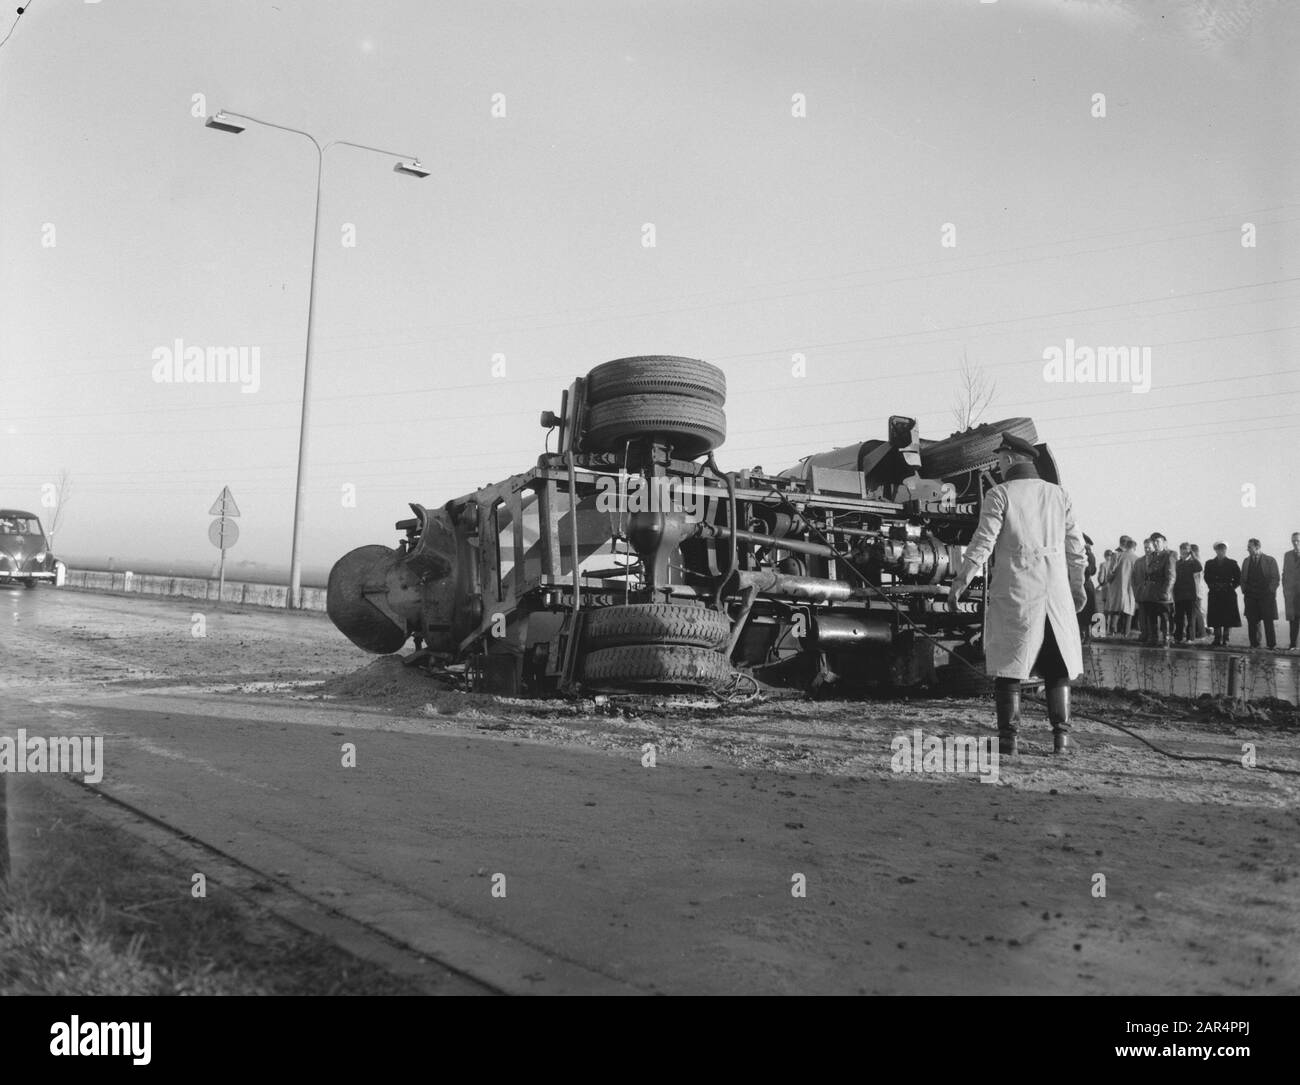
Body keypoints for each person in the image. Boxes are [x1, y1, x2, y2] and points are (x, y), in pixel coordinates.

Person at [948, 432, 1087, 757]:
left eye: (999, 458)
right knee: (1057, 665)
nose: (997, 463)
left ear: (1009, 459)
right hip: (1054, 595)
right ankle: (1062, 738)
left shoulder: (999, 495)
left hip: (1016, 593)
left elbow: (983, 543)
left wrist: (961, 580)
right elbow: (1076, 547)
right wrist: (1077, 583)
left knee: (1010, 665)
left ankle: (1008, 740)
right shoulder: (1059, 495)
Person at [1240, 538, 1280, 649]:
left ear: (1257, 547)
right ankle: (1254, 644)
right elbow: (1242, 578)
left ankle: (1271, 645)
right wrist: (1245, 591)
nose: (1247, 549)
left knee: (1268, 621)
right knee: (1252, 621)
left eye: (1249, 547)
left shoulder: (1270, 560)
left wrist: (1270, 591)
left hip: (1266, 596)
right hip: (1251, 596)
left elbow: (1275, 578)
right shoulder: (1246, 561)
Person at [1142, 533, 1177, 647]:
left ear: (1164, 542)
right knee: (1151, 616)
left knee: (1165, 617)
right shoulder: (1152, 556)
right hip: (1151, 591)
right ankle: (1153, 638)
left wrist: (1166, 592)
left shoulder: (1169, 555)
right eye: (1154, 542)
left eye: (1158, 541)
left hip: (1163, 591)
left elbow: (1171, 576)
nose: (1156, 544)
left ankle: (1166, 639)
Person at [1203, 542, 1241, 647]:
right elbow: (1206, 577)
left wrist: (1230, 586)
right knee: (1216, 617)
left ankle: (1226, 639)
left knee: (1228, 617)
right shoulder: (1209, 563)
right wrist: (1213, 586)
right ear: (1216, 550)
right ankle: (1217, 638)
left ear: (1226, 550)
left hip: (1228, 593)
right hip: (1215, 592)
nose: (1221, 551)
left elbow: (1238, 578)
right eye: (1219, 549)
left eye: (1223, 549)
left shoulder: (1232, 563)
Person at [1172, 541, 1202, 645]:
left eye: (1186, 551)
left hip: (1190, 595)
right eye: (1182, 550)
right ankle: (1178, 637)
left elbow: (1199, 567)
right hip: (1179, 594)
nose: (1184, 553)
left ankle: (1190, 638)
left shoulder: (1193, 563)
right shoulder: (1178, 563)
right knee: (1179, 617)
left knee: (1191, 618)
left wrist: (1193, 556)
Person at [1110, 536, 1139, 636]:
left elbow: (1111, 571)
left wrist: (1110, 581)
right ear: (1134, 548)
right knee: (1129, 611)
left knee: (1116, 609)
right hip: (1131, 588)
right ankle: (1126, 633)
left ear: (1125, 546)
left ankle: (1112, 631)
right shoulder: (1137, 559)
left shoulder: (1117, 556)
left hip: (1118, 586)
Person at [1131, 537, 1153, 641]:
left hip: (1153, 594)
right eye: (1145, 548)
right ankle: (1144, 634)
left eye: (1149, 548)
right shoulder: (1139, 561)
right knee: (1142, 616)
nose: (1147, 550)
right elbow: (1134, 578)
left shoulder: (1158, 561)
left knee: (1151, 617)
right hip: (1141, 593)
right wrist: (1135, 591)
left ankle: (1152, 635)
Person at [1078, 534, 1098, 643]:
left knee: (1085, 612)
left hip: (1085, 585)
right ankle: (1083, 634)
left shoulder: (1088, 554)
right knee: (1081, 612)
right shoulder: (1081, 553)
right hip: (1081, 584)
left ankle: (1086, 635)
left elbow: (1092, 570)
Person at [1283, 533, 1300, 651]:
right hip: (1292, 594)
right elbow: (1285, 573)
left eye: (1298, 541)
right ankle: (1293, 645)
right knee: (1293, 620)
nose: (1295, 543)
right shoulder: (1287, 555)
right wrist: (1285, 589)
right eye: (1293, 541)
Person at [1190, 543, 1208, 640]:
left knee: (1196, 612)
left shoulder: (1196, 563)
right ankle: (1200, 632)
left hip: (1195, 591)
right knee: (1197, 611)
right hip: (1197, 590)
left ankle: (1201, 633)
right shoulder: (1199, 562)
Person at [1097, 548, 1117, 635]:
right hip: (1114, 589)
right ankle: (1113, 630)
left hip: (1105, 589)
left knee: (1105, 610)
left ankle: (1103, 629)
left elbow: (1101, 579)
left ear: (1105, 556)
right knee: (1113, 610)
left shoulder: (1103, 565)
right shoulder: (1116, 565)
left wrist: (1099, 580)